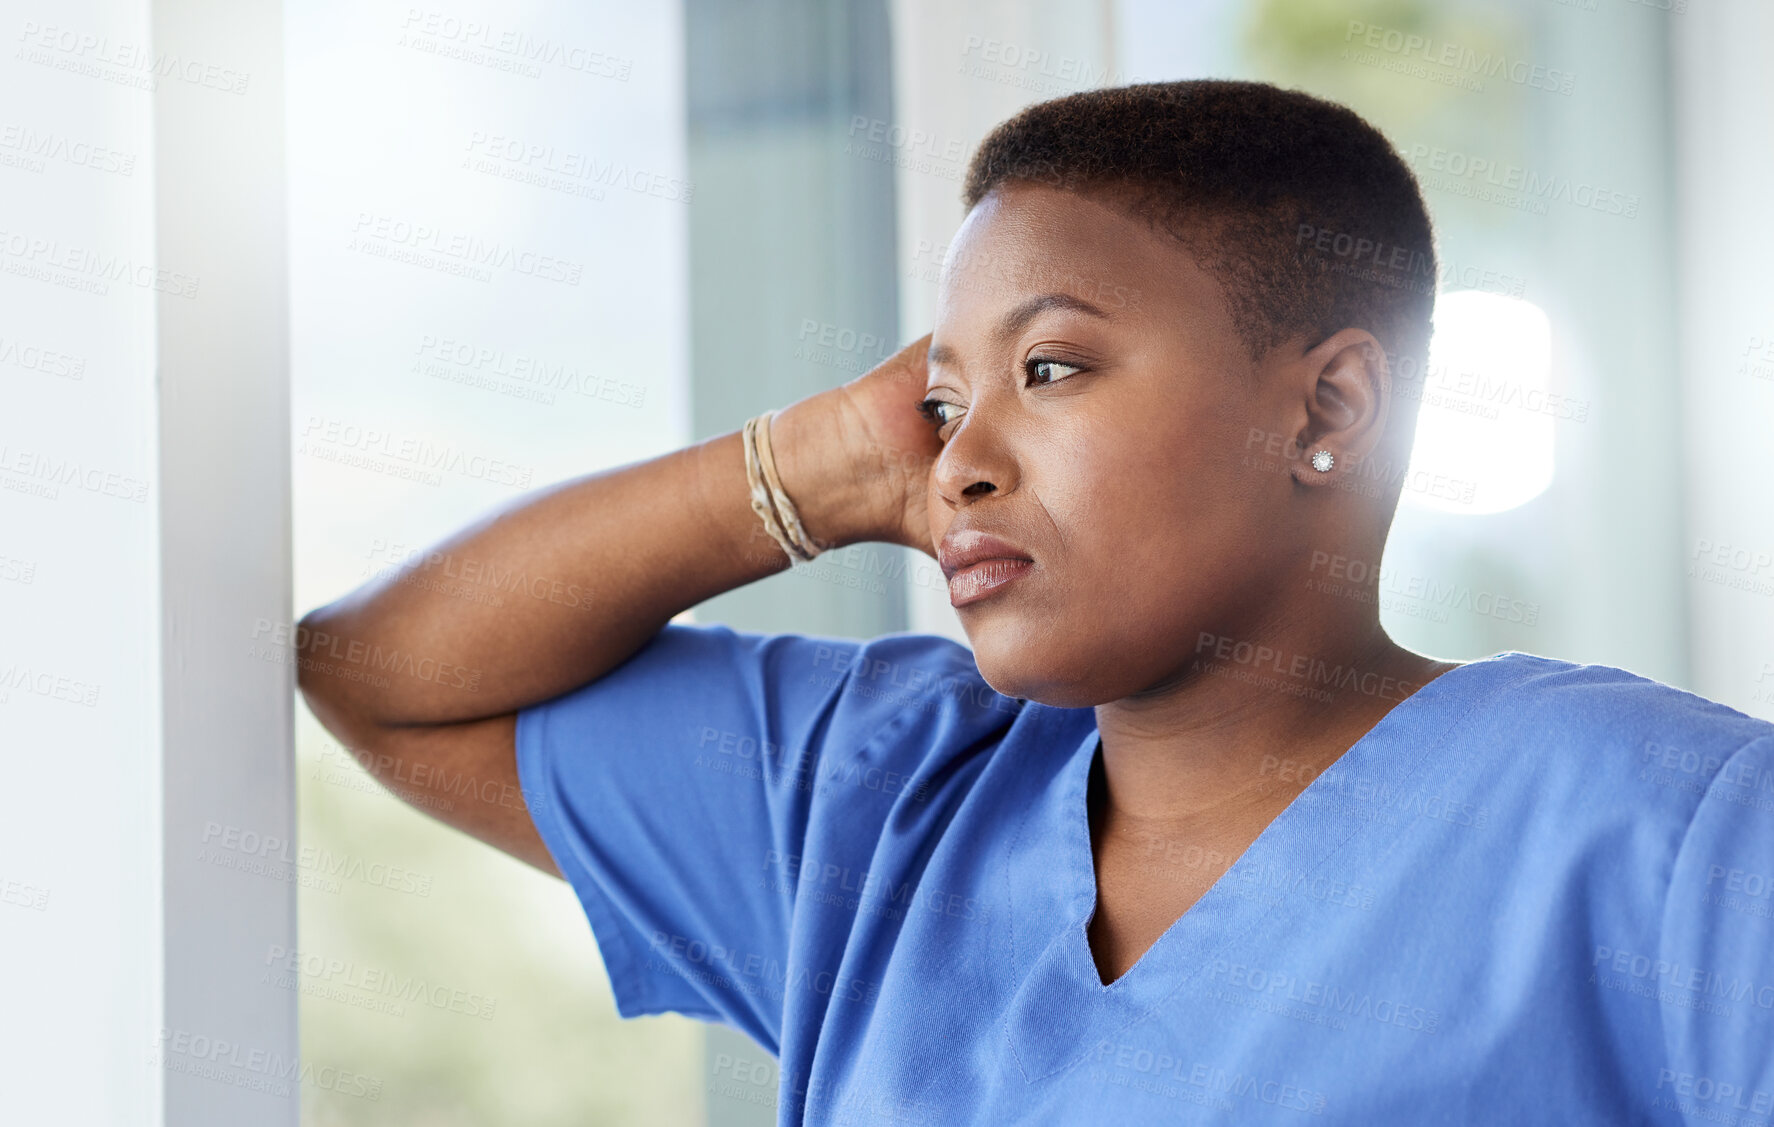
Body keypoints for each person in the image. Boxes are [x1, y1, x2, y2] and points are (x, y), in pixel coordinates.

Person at [296, 80, 1774, 1124]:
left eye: (1051, 369)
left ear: (1326, 404)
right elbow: (390, 673)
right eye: (940, 399)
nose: (961, 462)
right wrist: (821, 464)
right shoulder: (868, 807)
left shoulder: (1671, 829)